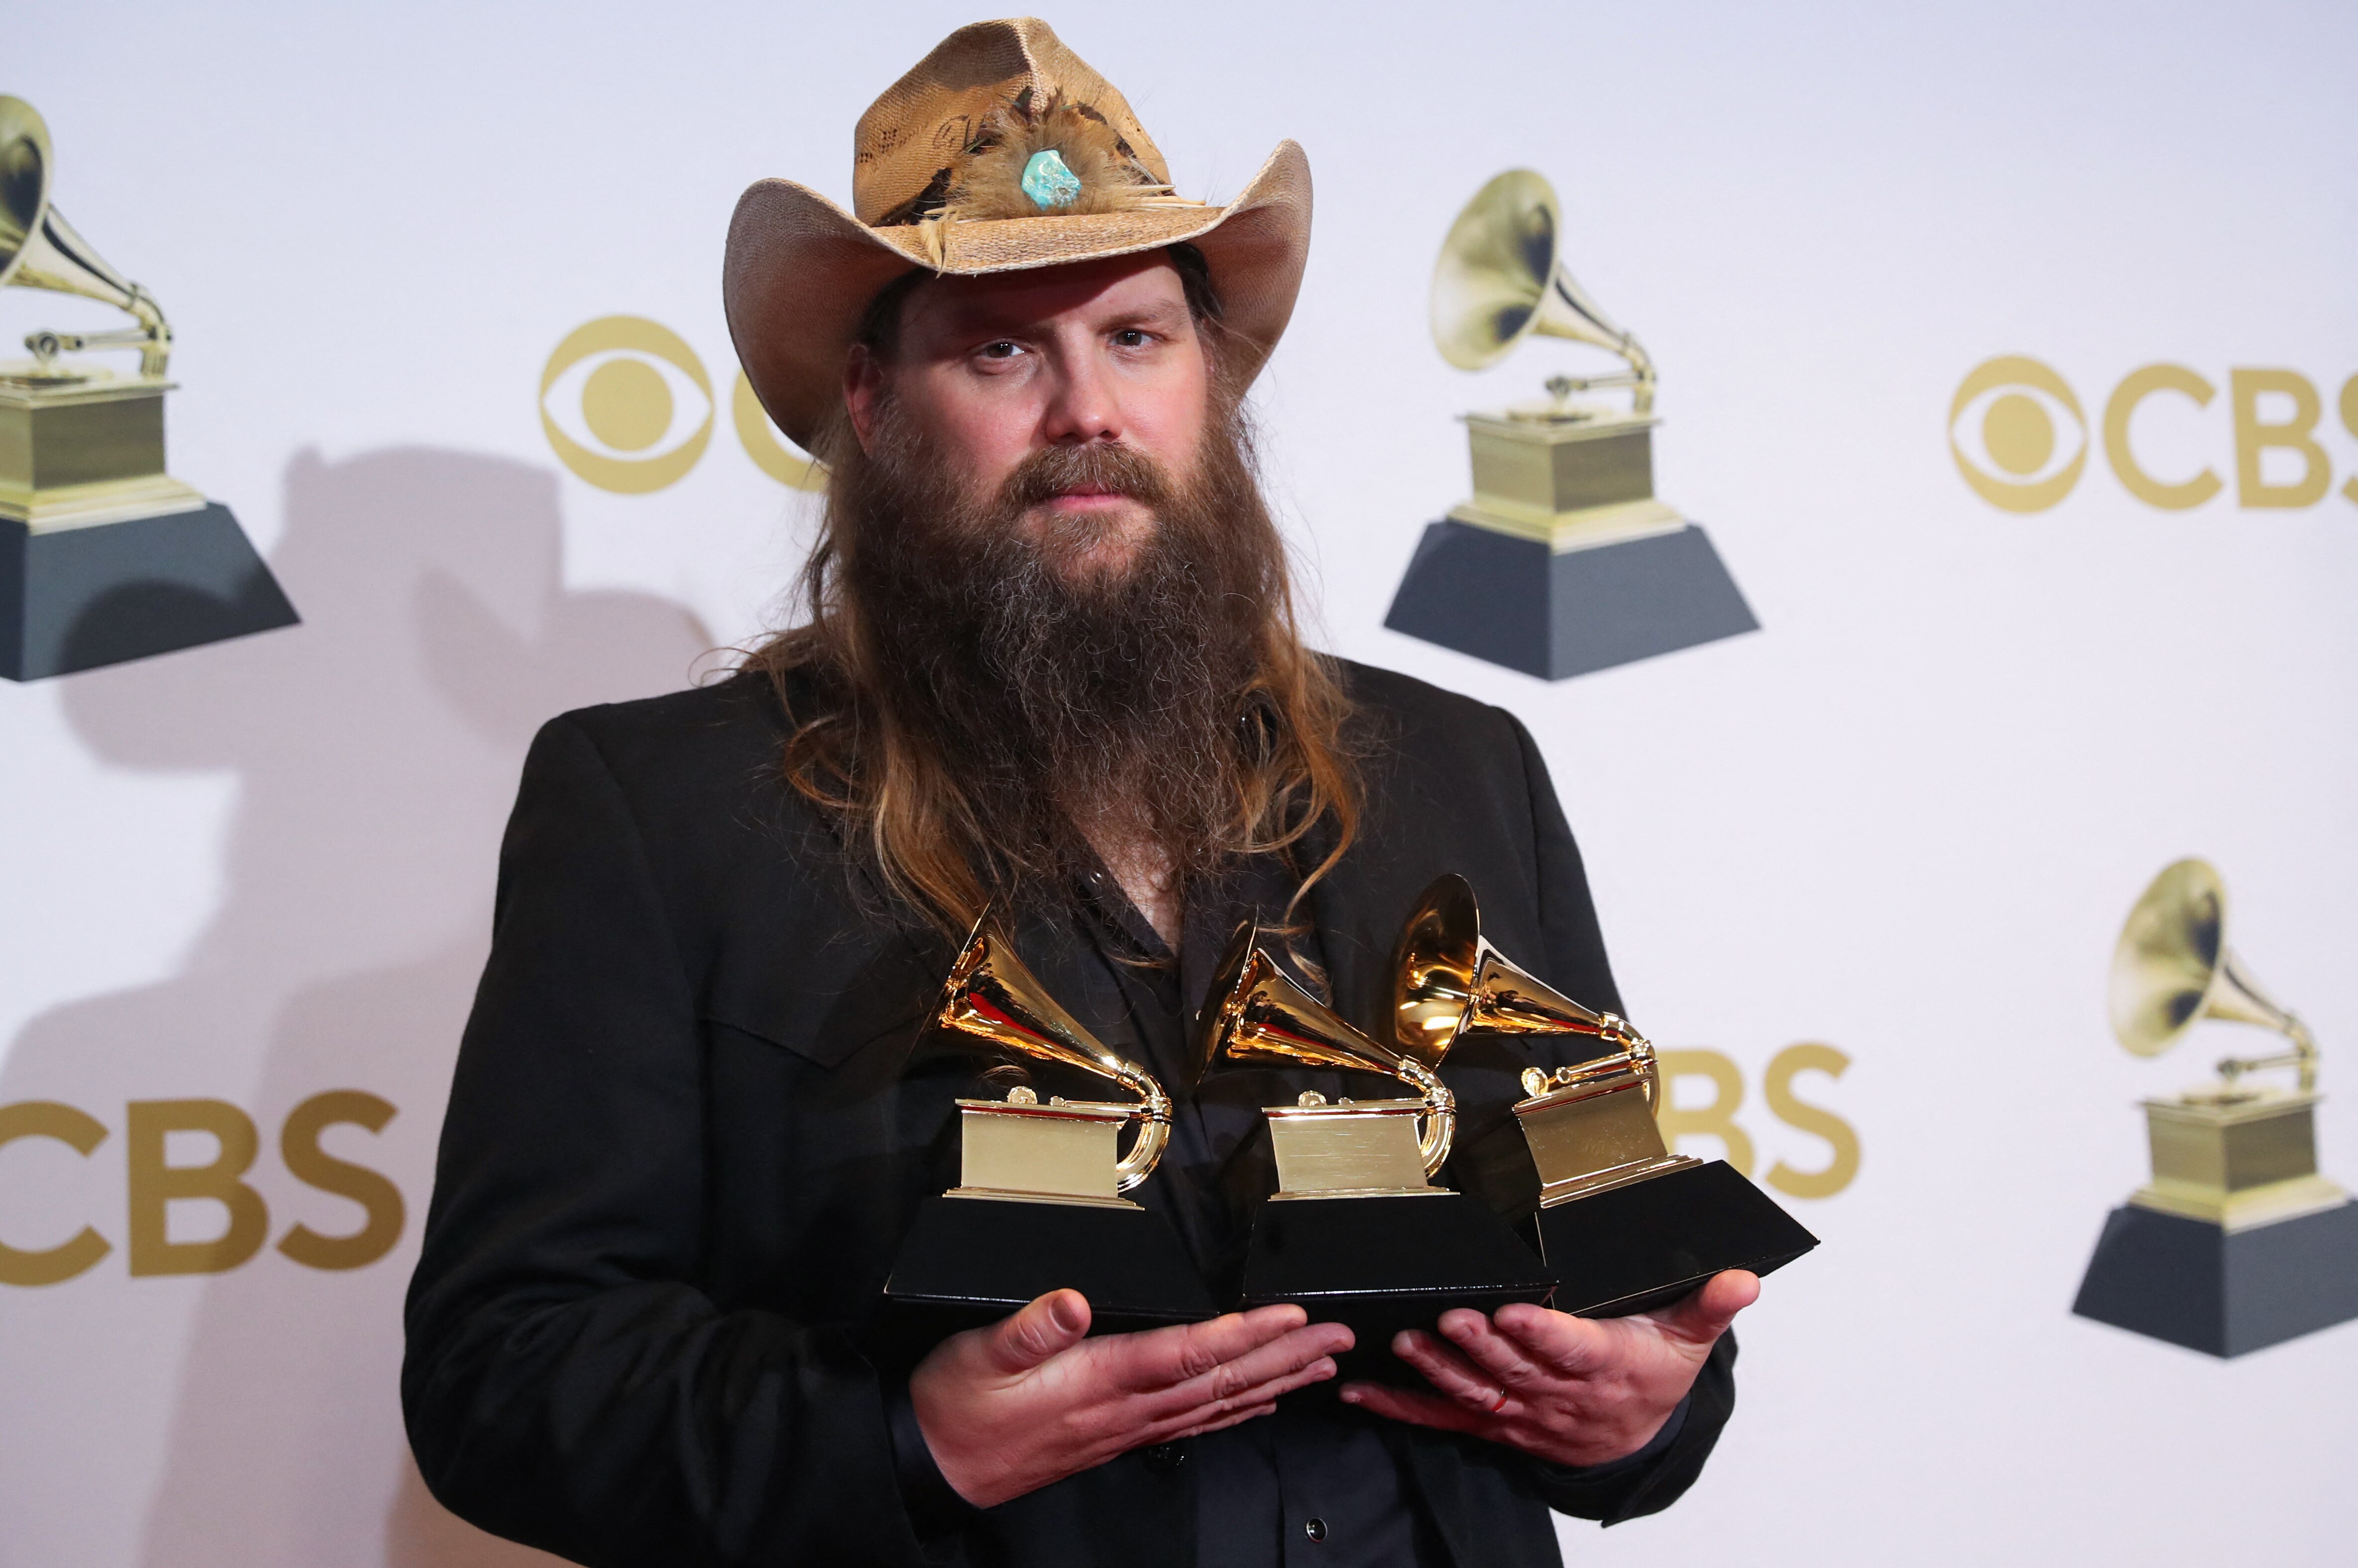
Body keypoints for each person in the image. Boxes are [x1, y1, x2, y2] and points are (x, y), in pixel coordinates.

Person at [403, 17, 1755, 1568]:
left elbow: (1608, 1259)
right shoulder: (660, 809)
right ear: (872, 405)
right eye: (1001, 351)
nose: (1086, 412)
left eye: (1135, 337)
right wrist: (904, 1438)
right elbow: (503, 1374)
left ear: (1209, 382)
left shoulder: (1463, 764)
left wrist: (1641, 1411)